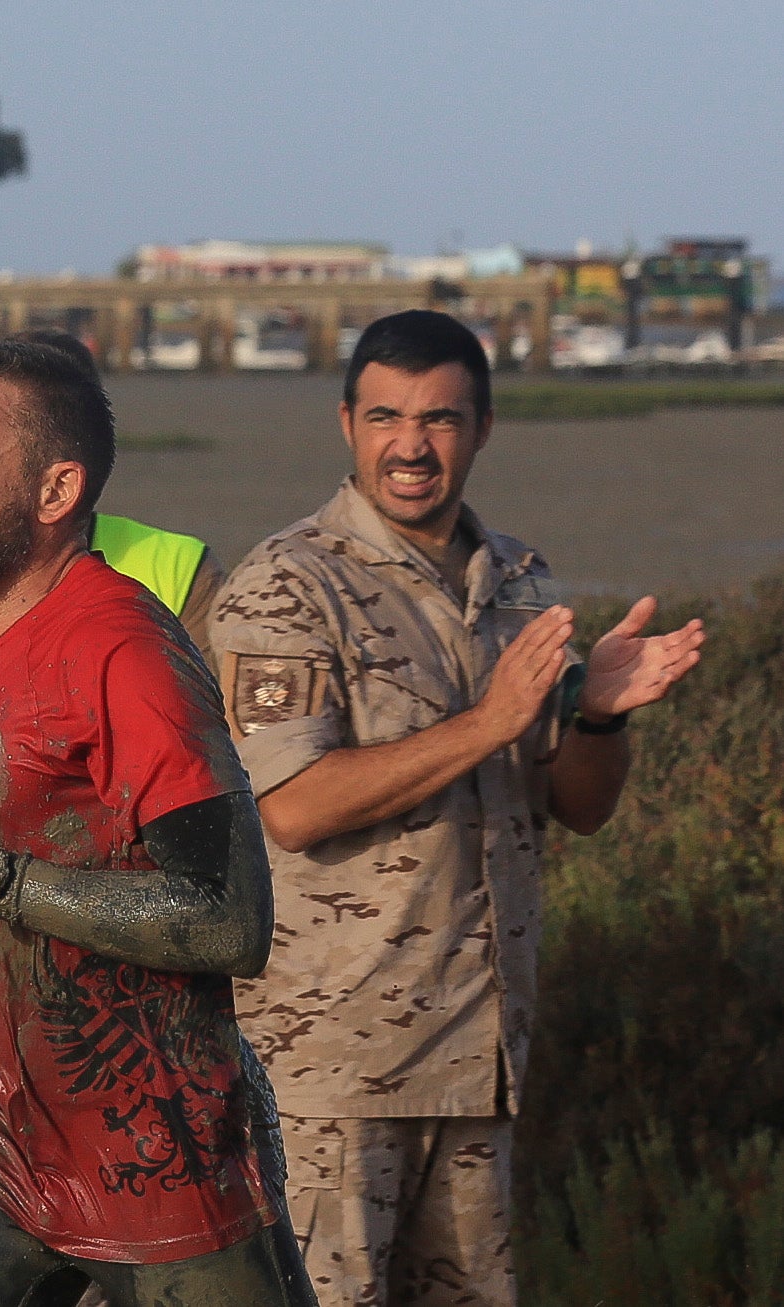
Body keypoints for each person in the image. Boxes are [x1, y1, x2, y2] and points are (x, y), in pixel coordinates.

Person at [209, 309, 705, 1307]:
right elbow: (294, 807)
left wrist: (596, 717)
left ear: (482, 427)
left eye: (439, 418)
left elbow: (579, 809)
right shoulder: (285, 586)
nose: (410, 444)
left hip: (479, 1062)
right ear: (344, 422)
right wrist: (489, 721)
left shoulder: (519, 582)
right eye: (385, 415)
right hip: (329, 1075)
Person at [0, 336, 316, 1306]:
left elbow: (230, 916)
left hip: (160, 1148)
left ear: (56, 491)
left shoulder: (124, 652)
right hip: (0, 1118)